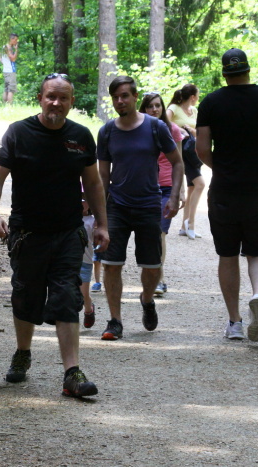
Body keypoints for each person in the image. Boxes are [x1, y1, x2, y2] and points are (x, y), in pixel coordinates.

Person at [0, 73, 109, 398]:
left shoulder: (81, 136)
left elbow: (93, 183)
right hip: (28, 233)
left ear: (71, 102)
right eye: (51, 96)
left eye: (63, 98)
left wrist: (102, 224)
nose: (56, 103)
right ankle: (23, 352)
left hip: (68, 232)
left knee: (67, 296)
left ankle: (72, 373)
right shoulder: (18, 132)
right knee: (26, 295)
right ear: (40, 98)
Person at [196, 48, 258, 342]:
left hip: (225, 191)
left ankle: (235, 322)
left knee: (228, 255)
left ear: (224, 73)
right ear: (248, 70)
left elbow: (201, 149)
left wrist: (222, 168)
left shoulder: (211, 102)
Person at [97, 76, 184, 340]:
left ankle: (147, 299)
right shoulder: (107, 131)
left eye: (125, 96)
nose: (120, 101)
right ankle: (115, 321)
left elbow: (177, 162)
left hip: (148, 204)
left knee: (152, 265)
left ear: (135, 97)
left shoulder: (156, 127)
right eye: (115, 97)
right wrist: (99, 211)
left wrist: (174, 196)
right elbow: (102, 175)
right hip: (117, 205)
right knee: (112, 264)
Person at [138, 91, 185, 296]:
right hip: (144, 187)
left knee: (160, 232)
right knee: (148, 233)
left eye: (158, 105)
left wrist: (181, 190)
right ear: (144, 108)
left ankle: (158, 278)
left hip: (166, 187)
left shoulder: (172, 129)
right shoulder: (137, 129)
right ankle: (153, 274)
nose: (154, 109)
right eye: (150, 106)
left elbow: (180, 161)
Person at [168, 84, 205, 240]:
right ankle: (191, 224)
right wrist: (180, 129)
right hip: (181, 152)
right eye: (197, 95)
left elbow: (199, 132)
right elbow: (164, 122)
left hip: (193, 152)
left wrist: (190, 130)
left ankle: (185, 226)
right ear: (192, 97)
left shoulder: (194, 111)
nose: (198, 97)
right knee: (200, 184)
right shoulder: (174, 108)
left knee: (192, 187)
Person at [80, 192, 96, 328]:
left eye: (84, 200)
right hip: (69, 261)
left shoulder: (93, 221)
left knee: (84, 293)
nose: (81, 203)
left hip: (85, 261)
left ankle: (88, 309)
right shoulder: (68, 219)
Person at [0, 33, 19, 104]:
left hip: (6, 71)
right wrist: (16, 50)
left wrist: (5, 63)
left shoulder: (4, 47)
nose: (16, 41)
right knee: (11, 90)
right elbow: (13, 59)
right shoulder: (9, 48)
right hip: (10, 71)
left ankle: (4, 105)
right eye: (15, 40)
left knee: (6, 89)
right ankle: (9, 106)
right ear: (11, 39)